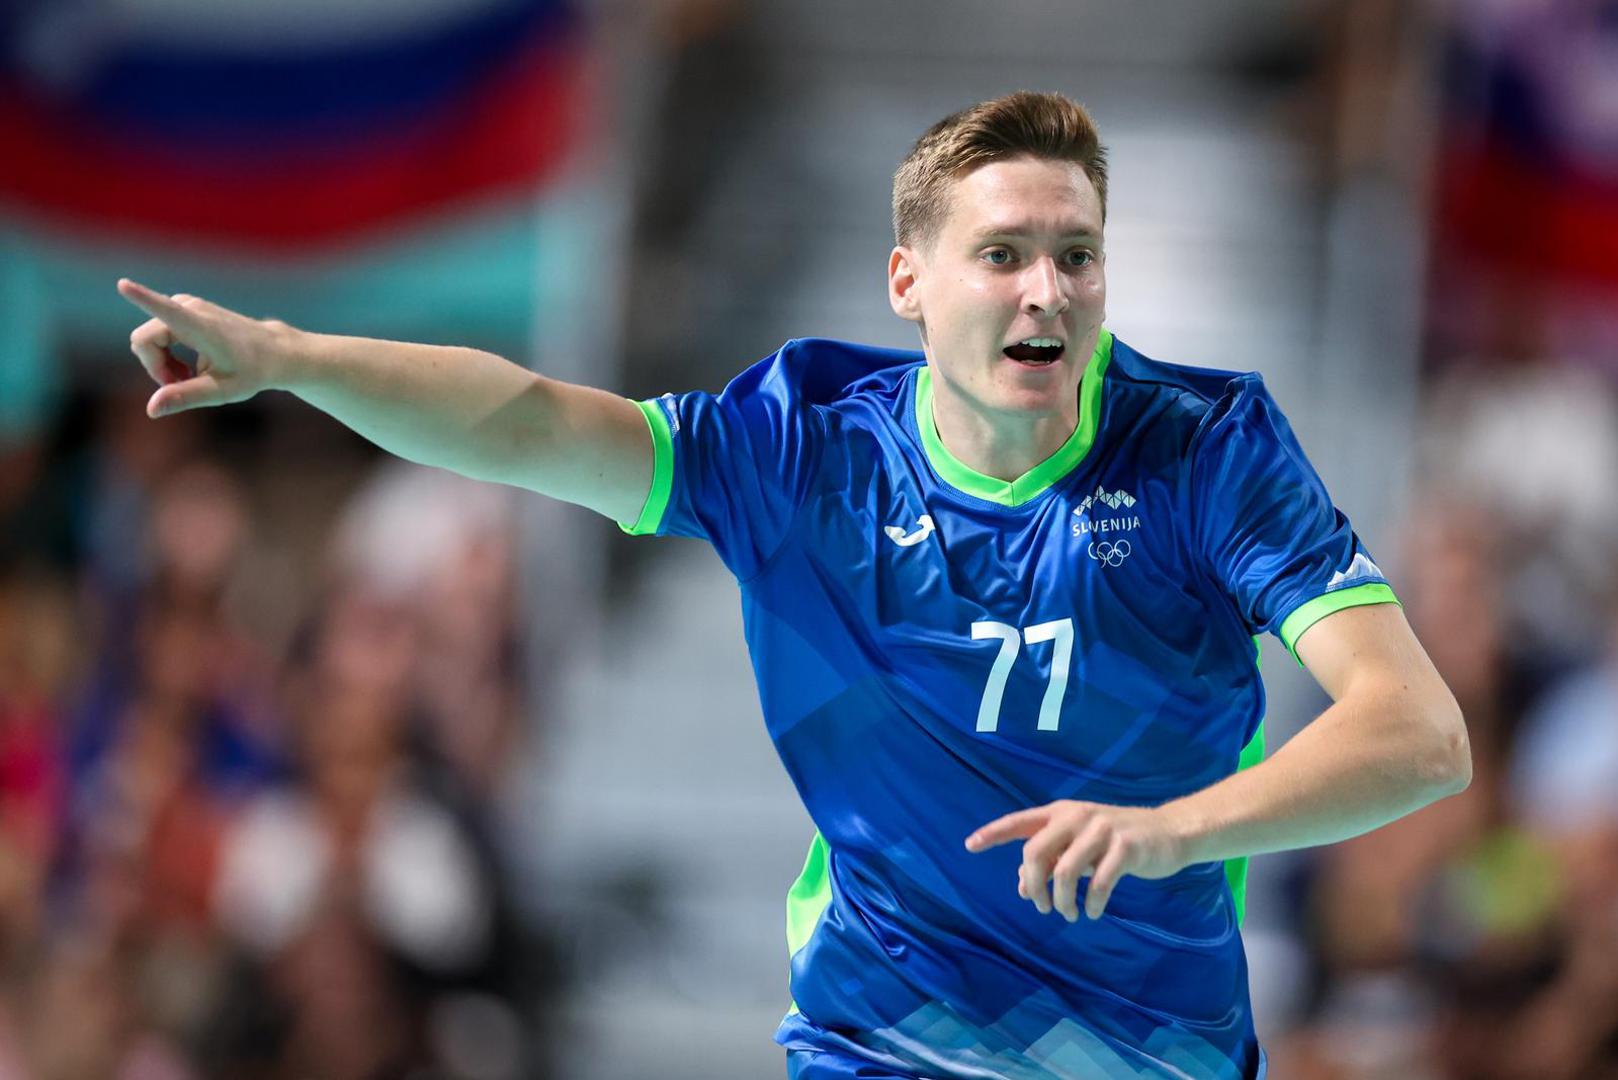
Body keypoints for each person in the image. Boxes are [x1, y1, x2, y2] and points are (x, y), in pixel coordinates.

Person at [118, 91, 1469, 1080]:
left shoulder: (1206, 452)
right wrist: (293, 357)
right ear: (908, 281)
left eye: (1077, 254)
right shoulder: (803, 453)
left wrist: (1173, 830)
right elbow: (528, 420)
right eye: (1003, 253)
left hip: (1147, 1043)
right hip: (882, 1038)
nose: (1046, 291)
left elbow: (1417, 733)